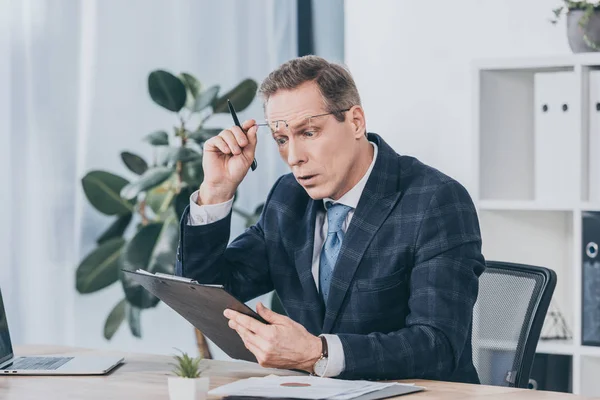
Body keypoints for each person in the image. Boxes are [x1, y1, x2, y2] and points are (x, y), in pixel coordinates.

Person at [175, 55, 486, 382]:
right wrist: (216, 190)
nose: (294, 157)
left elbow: (437, 344)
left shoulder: (434, 200)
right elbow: (203, 291)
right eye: (282, 139)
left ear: (355, 122)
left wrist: (318, 352)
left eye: (308, 132)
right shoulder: (288, 197)